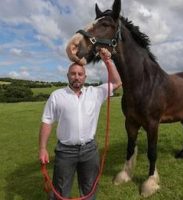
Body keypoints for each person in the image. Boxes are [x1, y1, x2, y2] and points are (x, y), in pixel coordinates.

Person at [38, 48, 122, 200]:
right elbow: (47, 121)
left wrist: (107, 61)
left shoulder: (96, 93)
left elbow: (117, 82)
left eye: (80, 74)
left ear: (85, 77)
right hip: (65, 152)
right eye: (73, 73)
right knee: (60, 192)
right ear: (68, 76)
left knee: (90, 190)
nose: (76, 77)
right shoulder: (57, 96)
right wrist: (43, 148)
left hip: (90, 150)